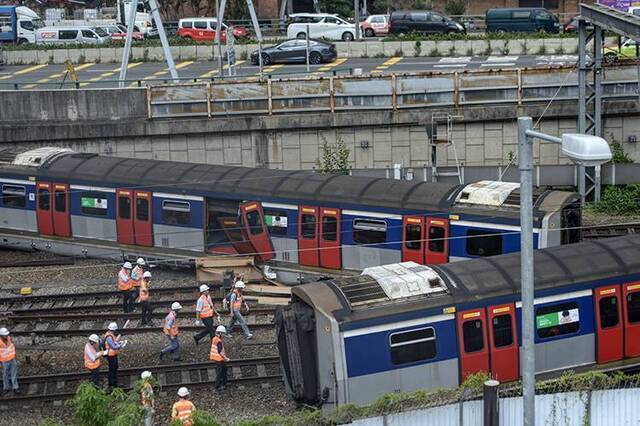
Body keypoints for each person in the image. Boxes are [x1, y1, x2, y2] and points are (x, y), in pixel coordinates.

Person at [104, 322, 127, 389]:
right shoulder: (109, 336)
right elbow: (113, 346)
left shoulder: (109, 334)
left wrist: (119, 343)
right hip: (111, 356)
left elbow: (113, 343)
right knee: (112, 370)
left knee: (114, 368)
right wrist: (120, 345)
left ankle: (114, 383)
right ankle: (112, 384)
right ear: (113, 329)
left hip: (113, 355)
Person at [210, 325, 230, 391]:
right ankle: (217, 386)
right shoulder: (219, 341)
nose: (223, 335)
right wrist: (226, 358)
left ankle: (224, 383)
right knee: (220, 373)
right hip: (220, 359)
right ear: (220, 333)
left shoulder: (214, 338)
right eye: (223, 333)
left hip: (217, 359)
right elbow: (220, 351)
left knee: (224, 370)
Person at [0, 328, 18, 395]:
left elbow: (12, 347)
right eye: (5, 335)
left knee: (14, 374)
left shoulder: (9, 338)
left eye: (7, 334)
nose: (6, 336)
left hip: (12, 359)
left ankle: (15, 387)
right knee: (5, 375)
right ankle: (6, 388)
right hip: (4, 361)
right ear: (1, 335)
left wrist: (15, 357)